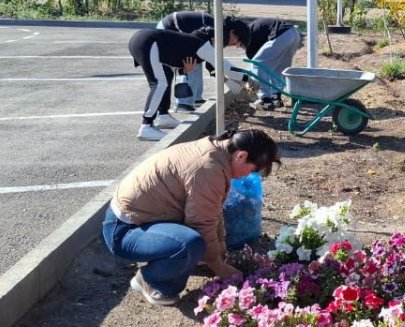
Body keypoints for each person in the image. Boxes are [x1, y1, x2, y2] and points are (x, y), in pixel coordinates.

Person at [102, 129, 281, 306]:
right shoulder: (208, 168)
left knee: (202, 242)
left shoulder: (217, 152)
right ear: (241, 156)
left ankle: (180, 261)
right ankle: (151, 280)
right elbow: (201, 223)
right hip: (124, 230)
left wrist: (220, 249)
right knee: (189, 244)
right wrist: (219, 267)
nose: (249, 175)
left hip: (145, 219)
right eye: (253, 169)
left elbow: (213, 210)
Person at [128, 26, 221, 141]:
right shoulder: (198, 45)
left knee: (165, 78)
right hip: (146, 41)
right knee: (159, 83)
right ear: (211, 39)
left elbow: (171, 62)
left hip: (141, 39)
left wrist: (184, 71)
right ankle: (146, 126)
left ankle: (163, 116)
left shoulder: (188, 42)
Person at [224, 17, 301, 110]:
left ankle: (265, 100)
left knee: (257, 64)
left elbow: (256, 65)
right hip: (294, 34)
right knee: (279, 68)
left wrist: (248, 81)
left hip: (281, 34)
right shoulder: (252, 31)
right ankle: (275, 97)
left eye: (233, 44)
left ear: (234, 34)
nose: (236, 46)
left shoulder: (249, 36)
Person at [158, 11, 216, 112]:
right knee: (191, 62)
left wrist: (213, 71)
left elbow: (209, 55)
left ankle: (196, 98)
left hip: (175, 28)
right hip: (166, 29)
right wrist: (214, 72)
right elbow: (208, 54)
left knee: (197, 60)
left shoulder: (214, 27)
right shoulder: (211, 29)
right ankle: (183, 103)